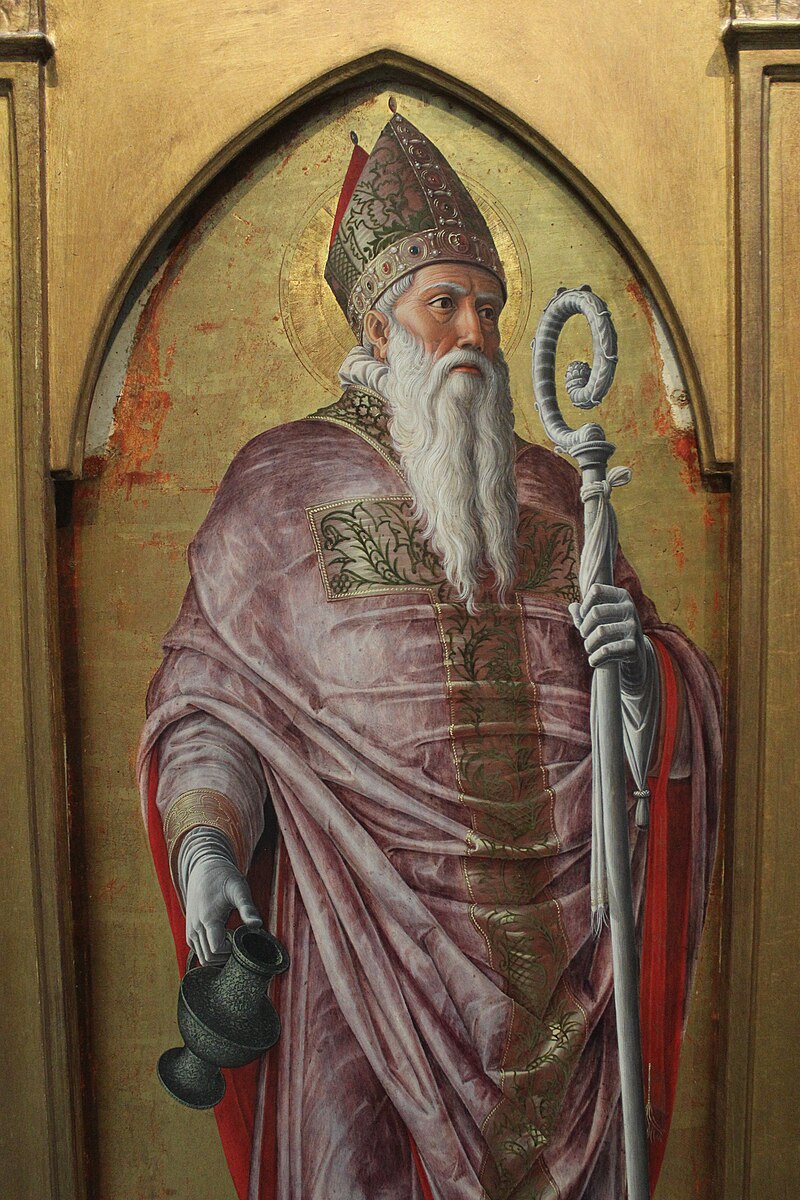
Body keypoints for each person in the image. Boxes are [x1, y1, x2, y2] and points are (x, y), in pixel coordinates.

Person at [138, 108, 721, 1200]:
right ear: (377, 322)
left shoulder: (553, 489)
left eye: (489, 308)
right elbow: (212, 705)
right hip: (361, 956)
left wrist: (643, 678)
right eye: (443, 303)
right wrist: (210, 853)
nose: (474, 334)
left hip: (561, 967)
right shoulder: (282, 483)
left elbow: (650, 693)